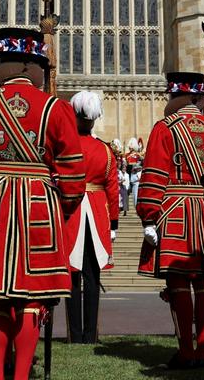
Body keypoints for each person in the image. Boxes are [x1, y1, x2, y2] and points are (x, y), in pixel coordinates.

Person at [0, 28, 83, 380]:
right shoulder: (56, 108)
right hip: (39, 202)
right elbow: (71, 168)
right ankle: (21, 374)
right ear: (30, 66)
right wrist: (65, 205)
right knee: (32, 297)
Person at [137, 72, 204, 369]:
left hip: (176, 210)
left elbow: (155, 173)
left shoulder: (165, 128)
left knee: (179, 283)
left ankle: (187, 350)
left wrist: (149, 215)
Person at [64, 90, 118, 345]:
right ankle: (90, 334)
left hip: (71, 212)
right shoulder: (104, 151)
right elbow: (113, 188)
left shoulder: (66, 148)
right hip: (97, 214)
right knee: (92, 277)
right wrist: (114, 222)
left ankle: (74, 333)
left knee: (72, 276)